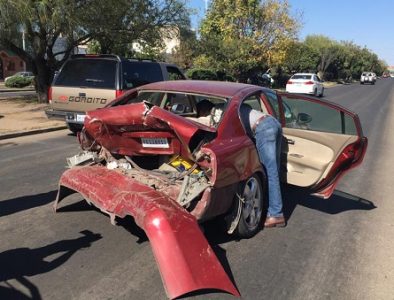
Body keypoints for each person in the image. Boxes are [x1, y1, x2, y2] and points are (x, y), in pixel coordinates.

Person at [240, 104, 286, 227]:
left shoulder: (221, 112)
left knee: (269, 172)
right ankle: (272, 207)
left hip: (264, 128)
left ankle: (276, 214)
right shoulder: (239, 105)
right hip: (272, 122)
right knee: (274, 171)